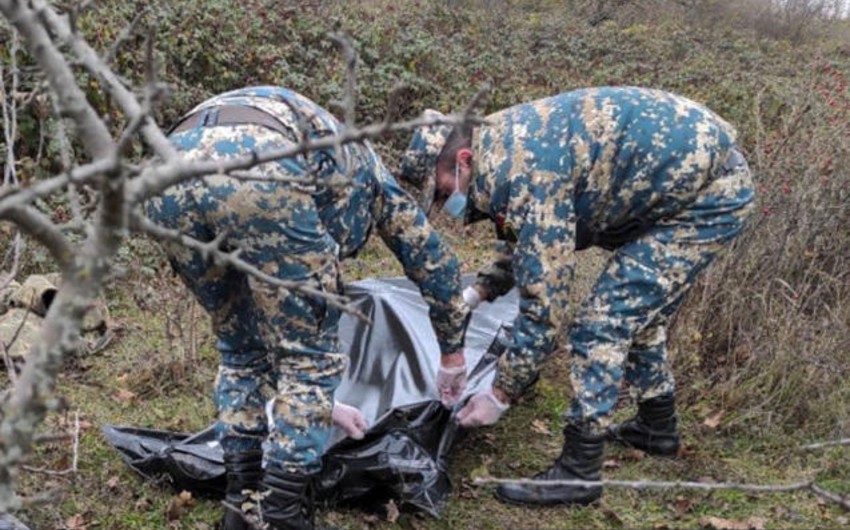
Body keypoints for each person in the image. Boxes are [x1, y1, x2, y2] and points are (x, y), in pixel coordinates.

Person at [399, 86, 755, 507]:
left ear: (462, 161)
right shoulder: (500, 147)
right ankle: (657, 428)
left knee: (601, 324)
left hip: (708, 197)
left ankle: (579, 471)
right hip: (683, 184)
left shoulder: (523, 168)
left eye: (441, 192)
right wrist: (479, 292)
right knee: (640, 314)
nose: (444, 205)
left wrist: (501, 394)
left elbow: (545, 305)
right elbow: (525, 239)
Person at [146, 86, 470, 530]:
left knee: (238, 348)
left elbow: (265, 319)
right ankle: (281, 513)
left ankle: (240, 505)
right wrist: (452, 355)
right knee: (310, 356)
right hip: (259, 164)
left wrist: (323, 405)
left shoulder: (335, 151)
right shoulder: (375, 179)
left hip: (166, 167)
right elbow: (437, 266)